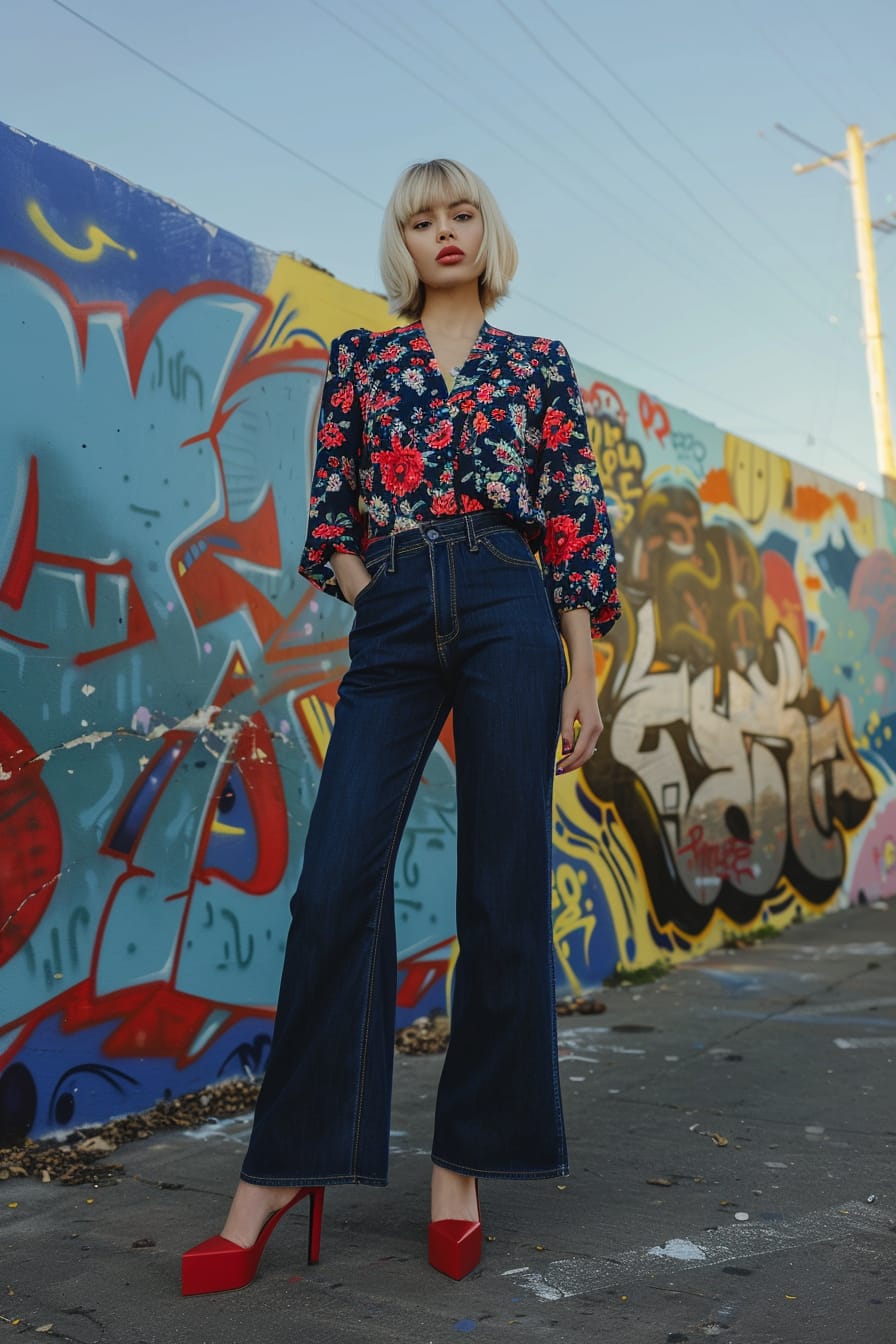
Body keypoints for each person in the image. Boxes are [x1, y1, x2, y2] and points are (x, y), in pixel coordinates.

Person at [181, 157, 620, 1293]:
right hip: (396, 603)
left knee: (502, 888)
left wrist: (582, 670)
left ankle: (461, 1162)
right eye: (420, 218)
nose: (443, 231)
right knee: (331, 886)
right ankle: (285, 1168)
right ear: (402, 241)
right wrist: (369, 586)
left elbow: (573, 522)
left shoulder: (537, 367)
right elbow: (328, 510)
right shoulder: (365, 358)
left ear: (486, 229)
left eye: (459, 212)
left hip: (511, 605)